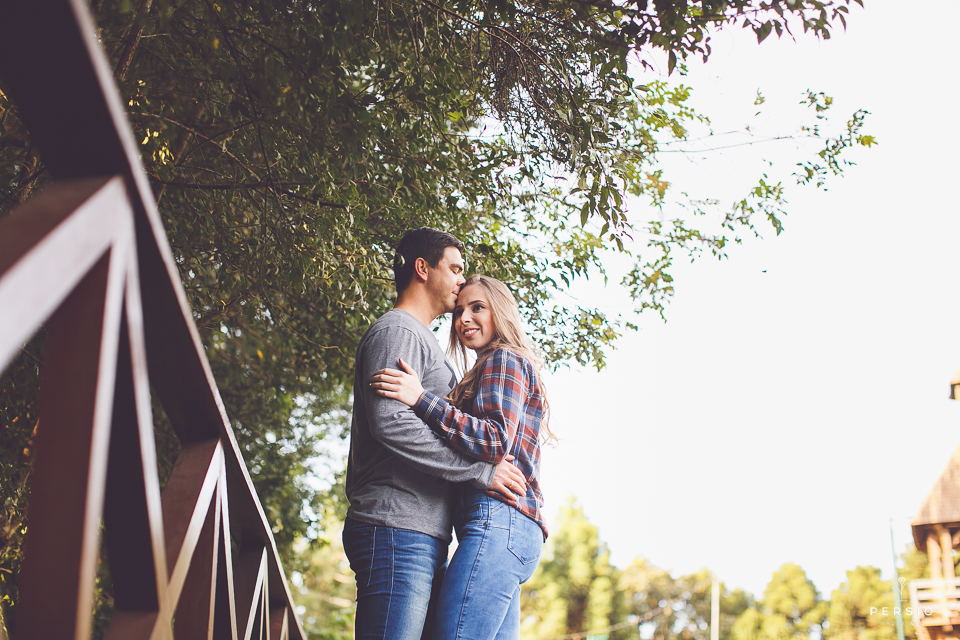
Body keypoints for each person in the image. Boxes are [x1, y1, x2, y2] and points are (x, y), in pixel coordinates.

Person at [344, 228, 527, 640]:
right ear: (423, 269)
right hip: (395, 526)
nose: (461, 279)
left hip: (420, 531)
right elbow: (391, 423)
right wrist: (479, 472)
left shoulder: (422, 341)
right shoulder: (399, 331)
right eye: (455, 269)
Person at [370, 274, 551, 640]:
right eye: (459, 311)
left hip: (499, 521)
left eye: (477, 308)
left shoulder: (502, 359)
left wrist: (421, 398)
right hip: (508, 528)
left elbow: (495, 441)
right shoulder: (489, 366)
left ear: (500, 312)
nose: (464, 318)